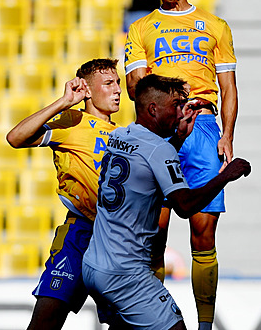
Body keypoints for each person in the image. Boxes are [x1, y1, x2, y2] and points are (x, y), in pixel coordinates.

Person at [124, 0, 238, 330]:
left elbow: (229, 87)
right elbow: (134, 85)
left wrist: (227, 135)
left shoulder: (216, 26)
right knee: (154, 234)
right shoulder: (140, 28)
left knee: (203, 233)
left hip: (204, 130)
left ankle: (205, 325)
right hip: (162, 133)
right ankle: (152, 319)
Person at [82, 73, 251, 330]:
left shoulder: (120, 136)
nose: (181, 112)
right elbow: (183, 206)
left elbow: (147, 157)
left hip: (94, 263)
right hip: (126, 272)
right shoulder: (159, 150)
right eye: (175, 106)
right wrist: (226, 175)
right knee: (175, 327)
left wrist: (179, 138)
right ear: (153, 108)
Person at [6, 58, 122, 330]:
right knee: (46, 322)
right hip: (80, 234)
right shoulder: (72, 121)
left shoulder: (125, 134)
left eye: (118, 82)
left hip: (116, 237)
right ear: (88, 90)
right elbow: (15, 138)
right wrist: (62, 103)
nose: (118, 89)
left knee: (125, 324)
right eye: (108, 83)